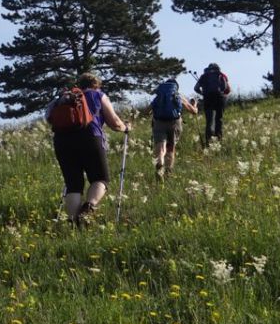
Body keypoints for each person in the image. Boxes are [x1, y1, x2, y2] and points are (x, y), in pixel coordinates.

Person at [46, 73, 130, 225]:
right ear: (95, 84)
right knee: (100, 179)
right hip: (90, 137)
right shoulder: (98, 95)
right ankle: (87, 209)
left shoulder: (66, 98)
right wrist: (125, 128)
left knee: (73, 185)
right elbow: (115, 122)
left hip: (62, 141)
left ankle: (73, 223)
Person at [143, 78, 199, 179]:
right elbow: (194, 111)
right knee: (170, 149)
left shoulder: (159, 96)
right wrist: (195, 105)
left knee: (161, 147)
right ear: (176, 87)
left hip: (159, 122)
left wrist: (153, 112)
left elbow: (146, 111)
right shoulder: (178, 96)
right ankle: (168, 173)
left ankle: (160, 160)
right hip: (174, 123)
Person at [193, 62, 231, 144]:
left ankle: (208, 142)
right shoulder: (221, 74)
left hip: (208, 98)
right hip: (219, 98)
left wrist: (203, 93)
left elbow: (196, 88)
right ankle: (219, 141)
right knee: (219, 120)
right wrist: (222, 94)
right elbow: (227, 89)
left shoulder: (204, 76)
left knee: (209, 121)